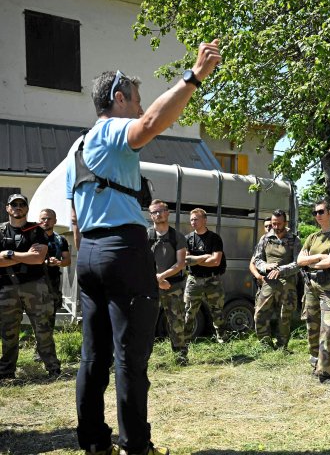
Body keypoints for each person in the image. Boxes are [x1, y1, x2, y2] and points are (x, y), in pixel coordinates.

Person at [66, 40, 220, 455]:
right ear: (118, 98)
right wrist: (194, 76)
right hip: (123, 250)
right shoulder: (115, 131)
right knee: (130, 359)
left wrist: (89, 262)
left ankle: (96, 444)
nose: (139, 106)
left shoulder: (76, 148)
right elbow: (152, 123)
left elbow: (76, 219)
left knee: (92, 358)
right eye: (135, 99)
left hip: (90, 256)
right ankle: (137, 447)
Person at [0, 194, 60, 379]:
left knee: (43, 329)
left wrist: (8, 254)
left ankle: (53, 369)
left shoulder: (37, 230)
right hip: (7, 288)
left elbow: (38, 258)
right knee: (8, 332)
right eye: (14, 204)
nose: (18, 207)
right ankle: (7, 372)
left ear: (26, 208)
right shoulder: (0, 231)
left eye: (22, 204)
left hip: (34, 286)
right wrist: (24, 255)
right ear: (8, 208)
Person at [297, 199, 330, 383]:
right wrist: (318, 257)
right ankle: (315, 364)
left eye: (320, 212)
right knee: (312, 327)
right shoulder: (312, 237)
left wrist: (311, 261)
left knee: (328, 328)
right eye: (315, 213)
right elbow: (300, 260)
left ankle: (325, 374)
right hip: (310, 286)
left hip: (329, 289)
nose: (317, 215)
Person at [253, 209, 301, 350]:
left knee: (284, 317)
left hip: (287, 284)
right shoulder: (265, 238)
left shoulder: (294, 239)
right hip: (268, 282)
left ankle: (281, 347)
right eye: (274, 223)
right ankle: (265, 345)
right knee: (260, 314)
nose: (276, 226)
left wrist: (281, 270)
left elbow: (298, 263)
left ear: (285, 223)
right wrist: (266, 266)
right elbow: (256, 259)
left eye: (279, 224)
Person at [148, 199, 187, 365]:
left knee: (176, 321)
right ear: (151, 216)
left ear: (167, 213)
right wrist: (157, 280)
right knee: (146, 322)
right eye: (155, 212)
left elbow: (180, 263)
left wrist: (161, 277)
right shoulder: (146, 236)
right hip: (150, 286)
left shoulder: (177, 237)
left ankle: (180, 357)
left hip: (173, 286)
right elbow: (140, 262)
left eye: (161, 210)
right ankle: (143, 358)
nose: (158, 214)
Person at [184, 208, 227, 345]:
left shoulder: (214, 238)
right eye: (191, 219)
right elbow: (185, 260)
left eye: (196, 219)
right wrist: (204, 257)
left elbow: (216, 261)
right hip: (194, 280)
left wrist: (195, 259)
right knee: (189, 312)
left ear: (204, 220)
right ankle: (184, 342)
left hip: (212, 280)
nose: (193, 222)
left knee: (217, 311)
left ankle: (222, 339)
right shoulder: (188, 239)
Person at [39, 208, 71, 330]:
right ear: (39, 220)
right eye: (43, 219)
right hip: (33, 281)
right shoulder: (31, 238)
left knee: (51, 314)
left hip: (52, 282)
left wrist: (58, 262)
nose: (46, 221)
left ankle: (47, 345)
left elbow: (67, 260)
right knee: (35, 313)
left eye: (49, 219)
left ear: (55, 221)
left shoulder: (60, 240)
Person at [249, 218, 272, 287]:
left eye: (270, 226)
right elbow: (252, 263)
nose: (268, 228)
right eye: (266, 226)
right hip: (265, 281)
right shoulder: (263, 240)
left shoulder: (286, 240)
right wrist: (259, 277)